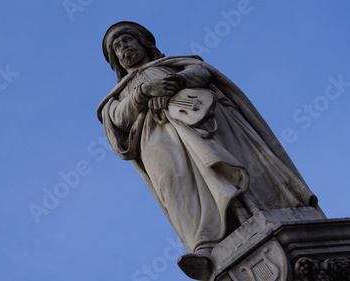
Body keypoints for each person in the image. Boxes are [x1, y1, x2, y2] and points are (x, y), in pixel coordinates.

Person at [97, 21, 325, 279]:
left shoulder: (173, 64)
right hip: (159, 141)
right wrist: (143, 93)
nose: (124, 48)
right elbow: (118, 118)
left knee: (231, 165)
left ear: (143, 44)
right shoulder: (117, 95)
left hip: (206, 123)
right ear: (115, 59)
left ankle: (261, 209)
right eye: (117, 47)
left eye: (128, 41)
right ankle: (204, 245)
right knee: (175, 185)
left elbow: (202, 72)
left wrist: (175, 81)